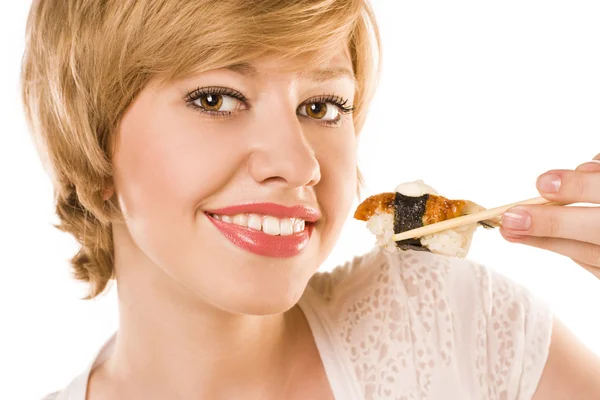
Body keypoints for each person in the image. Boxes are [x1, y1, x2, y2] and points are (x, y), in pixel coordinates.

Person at [20, 0, 600, 399]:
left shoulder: (460, 322)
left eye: (322, 106)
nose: (300, 165)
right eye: (217, 98)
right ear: (91, 146)